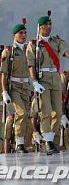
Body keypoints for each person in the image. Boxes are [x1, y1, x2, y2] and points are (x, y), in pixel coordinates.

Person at [26, 12, 69, 155]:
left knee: (57, 112)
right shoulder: (34, 45)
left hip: (55, 78)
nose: (49, 27)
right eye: (46, 25)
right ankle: (49, 141)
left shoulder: (56, 41)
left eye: (50, 24)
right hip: (42, 79)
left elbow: (66, 51)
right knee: (45, 111)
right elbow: (31, 65)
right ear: (40, 27)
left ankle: (49, 138)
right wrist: (34, 82)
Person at [1, 21, 31, 153]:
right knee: (21, 112)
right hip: (15, 87)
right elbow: (4, 73)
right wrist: (4, 92)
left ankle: (20, 142)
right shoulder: (9, 52)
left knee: (26, 114)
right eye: (21, 33)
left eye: (25, 32)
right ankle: (19, 143)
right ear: (14, 35)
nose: (24, 35)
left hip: (26, 86)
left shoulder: (29, 50)